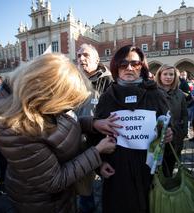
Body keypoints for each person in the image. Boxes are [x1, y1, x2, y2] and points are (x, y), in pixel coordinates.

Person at [0, 53, 120, 213]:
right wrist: (97, 151)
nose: (68, 108)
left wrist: (92, 124)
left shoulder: (39, 105)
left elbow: (62, 125)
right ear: (46, 92)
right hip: (42, 203)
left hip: (64, 198)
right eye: (66, 103)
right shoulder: (16, 130)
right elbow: (54, 180)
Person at [94, 45, 173, 213]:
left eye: (135, 63)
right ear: (116, 67)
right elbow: (95, 134)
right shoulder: (107, 97)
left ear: (142, 66)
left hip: (149, 170)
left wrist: (168, 134)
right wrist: (99, 164)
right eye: (123, 64)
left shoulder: (156, 94)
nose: (129, 68)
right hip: (118, 172)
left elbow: (167, 126)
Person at [76, 43, 114, 212]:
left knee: (110, 186)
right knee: (84, 195)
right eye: (78, 56)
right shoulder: (70, 80)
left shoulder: (109, 81)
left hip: (104, 144)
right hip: (78, 144)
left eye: (85, 55)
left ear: (97, 59)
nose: (81, 59)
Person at [155, 64, 188, 177]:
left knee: (170, 165)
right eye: (165, 74)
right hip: (158, 138)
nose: (168, 77)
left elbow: (184, 114)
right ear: (159, 75)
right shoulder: (153, 93)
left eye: (171, 74)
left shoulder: (180, 94)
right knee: (157, 168)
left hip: (176, 137)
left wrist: (183, 132)